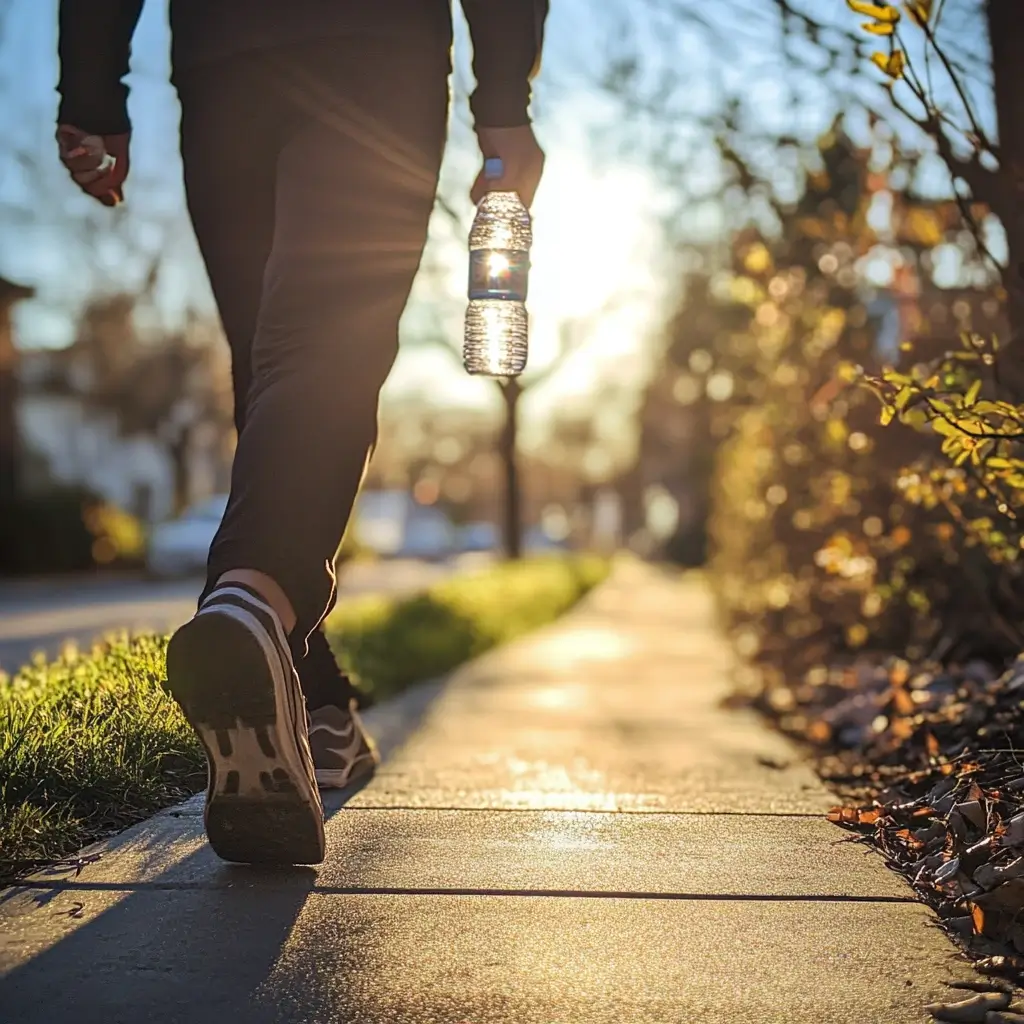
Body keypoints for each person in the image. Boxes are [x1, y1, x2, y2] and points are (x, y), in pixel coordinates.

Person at [56, 0, 547, 866]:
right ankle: (254, 601)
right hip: (375, 49)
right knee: (325, 346)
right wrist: (503, 94)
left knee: (271, 373)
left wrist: (93, 92)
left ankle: (314, 706)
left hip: (224, 66)